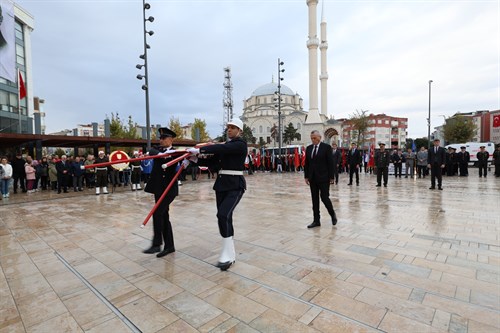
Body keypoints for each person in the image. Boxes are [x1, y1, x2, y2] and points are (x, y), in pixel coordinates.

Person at [187, 119, 247, 271]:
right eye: (228, 128)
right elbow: (212, 162)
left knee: (223, 214)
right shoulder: (226, 147)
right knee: (224, 218)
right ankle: (230, 253)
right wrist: (193, 160)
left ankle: (227, 254)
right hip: (221, 185)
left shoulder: (240, 144)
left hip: (235, 185)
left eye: (233, 128)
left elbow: (221, 149)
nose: (230, 130)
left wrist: (200, 150)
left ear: (239, 130)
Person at [143, 127, 180, 258]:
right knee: (164, 216)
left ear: (171, 139)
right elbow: (150, 150)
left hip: (169, 189)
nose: (161, 140)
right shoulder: (158, 150)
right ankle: (169, 246)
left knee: (157, 213)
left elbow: (182, 161)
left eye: (164, 138)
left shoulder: (176, 152)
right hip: (159, 188)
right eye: (160, 138)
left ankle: (157, 243)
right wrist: (160, 155)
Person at [303, 130, 337, 229]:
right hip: (313, 178)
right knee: (314, 199)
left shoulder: (326, 148)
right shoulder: (309, 148)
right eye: (311, 138)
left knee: (324, 197)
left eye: (314, 138)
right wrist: (306, 176)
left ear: (319, 137)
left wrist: (331, 177)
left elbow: (330, 163)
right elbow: (307, 164)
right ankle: (316, 220)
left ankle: (332, 214)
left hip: (324, 178)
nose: (313, 140)